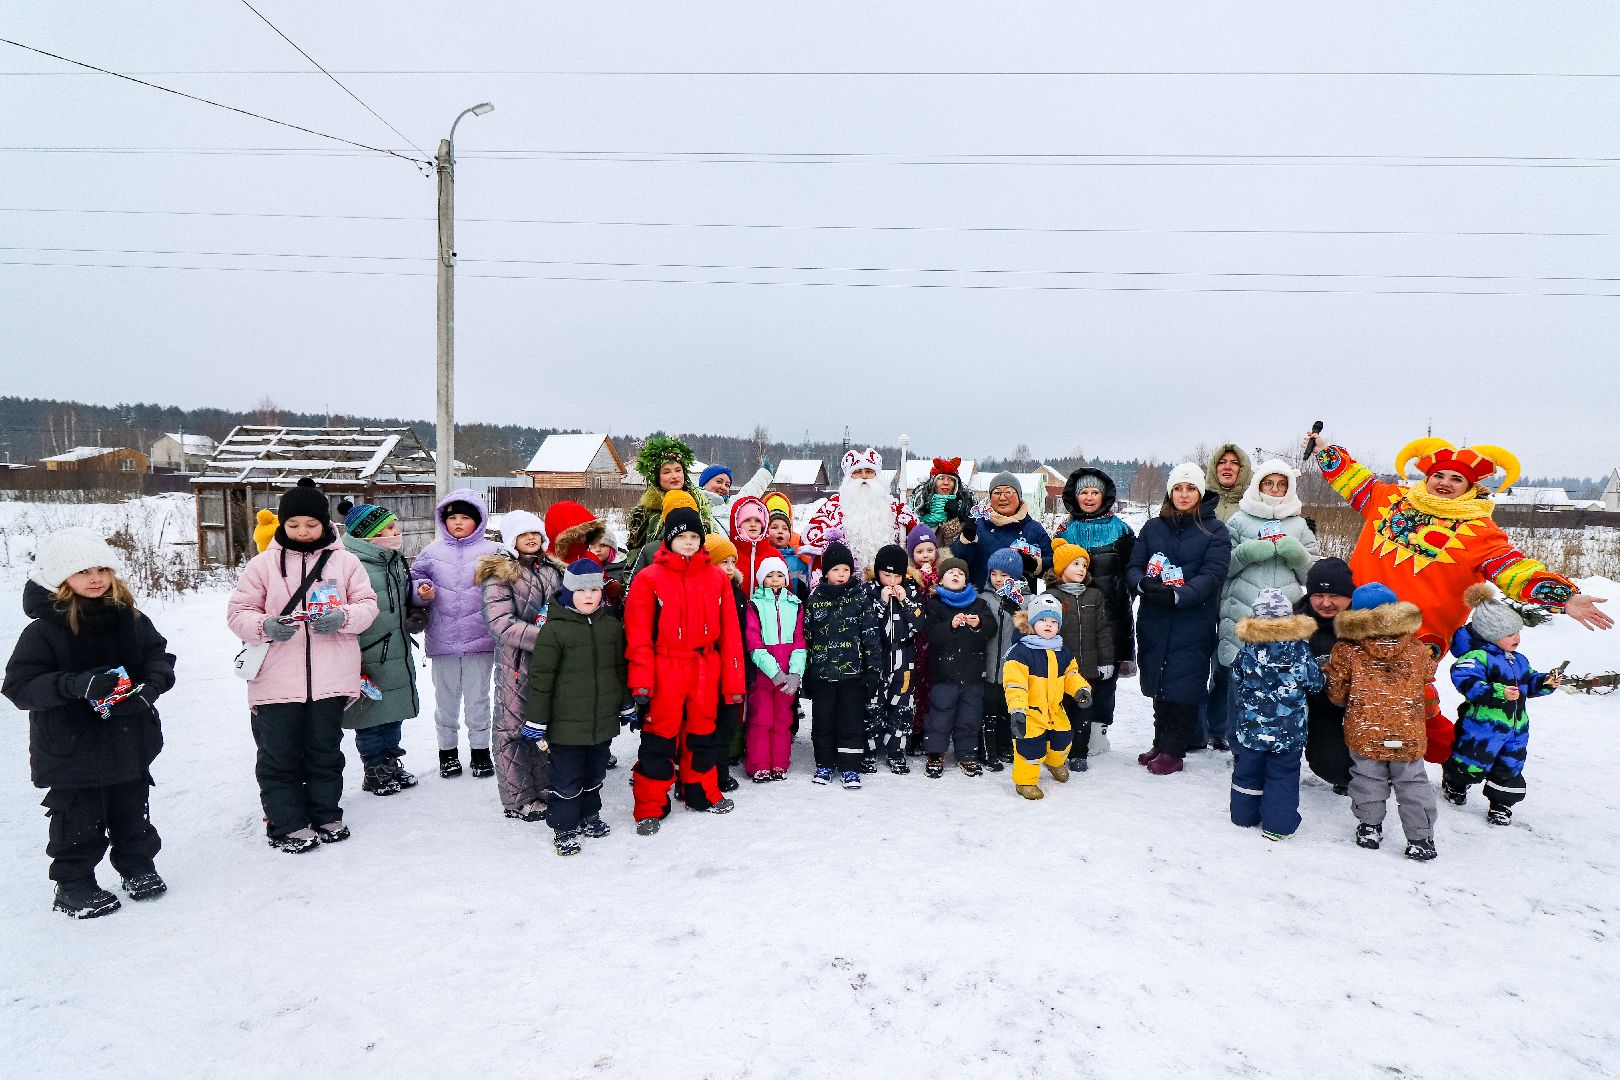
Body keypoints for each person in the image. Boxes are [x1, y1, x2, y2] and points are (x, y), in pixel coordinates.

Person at [1308, 433, 1610, 762]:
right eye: (1439, 475)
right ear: (1427, 476)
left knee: (1410, 700)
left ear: (1470, 487)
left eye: (1456, 479)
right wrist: (1325, 450)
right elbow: (1352, 477)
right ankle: (1342, 754)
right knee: (1342, 685)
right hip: (1355, 621)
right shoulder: (1389, 500)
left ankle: (1457, 760)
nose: (1445, 483)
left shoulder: (1479, 531)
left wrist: (1564, 597)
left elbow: (1514, 569)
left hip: (1418, 634)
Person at [4, 528, 175, 918]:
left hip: (129, 736)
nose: (96, 578)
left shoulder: (130, 619)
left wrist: (150, 687)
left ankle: (137, 867)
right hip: (72, 746)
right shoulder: (43, 631)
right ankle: (74, 884)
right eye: (83, 572)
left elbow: (159, 657)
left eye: (103, 569)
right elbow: (18, 686)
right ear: (61, 580)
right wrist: (75, 685)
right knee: (78, 818)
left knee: (132, 809)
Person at [227, 478, 378, 853]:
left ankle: (326, 812)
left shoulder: (346, 562)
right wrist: (265, 626)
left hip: (330, 678)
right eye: (293, 524)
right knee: (279, 755)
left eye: (311, 524)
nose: (303, 531)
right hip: (276, 681)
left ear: (326, 524)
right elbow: (238, 613)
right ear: (282, 525)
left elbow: (368, 606)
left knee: (324, 751)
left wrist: (342, 617)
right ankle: (286, 822)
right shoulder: (263, 565)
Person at [623, 507, 745, 833]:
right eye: (682, 537)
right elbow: (638, 635)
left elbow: (731, 634)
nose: (689, 543)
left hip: (706, 667)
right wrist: (641, 681)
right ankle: (650, 804)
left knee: (703, 735)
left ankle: (699, 791)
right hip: (666, 667)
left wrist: (733, 682)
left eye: (694, 537)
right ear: (669, 539)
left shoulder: (717, 578)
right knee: (659, 741)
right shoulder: (649, 578)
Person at [1125, 463, 1233, 775]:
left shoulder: (1214, 530)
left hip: (1192, 620)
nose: (1183, 494)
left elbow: (1213, 573)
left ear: (1200, 492)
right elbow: (1134, 566)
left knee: (1183, 685)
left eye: (1190, 489)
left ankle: (1174, 750)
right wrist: (1143, 584)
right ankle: (1160, 741)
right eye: (1178, 489)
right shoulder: (1153, 528)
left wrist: (1178, 595)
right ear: (1170, 492)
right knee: (1158, 681)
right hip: (1154, 618)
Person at [524, 559, 634, 856]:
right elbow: (541, 679)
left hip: (601, 721)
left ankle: (589, 814)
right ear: (568, 591)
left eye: (595, 590)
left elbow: (619, 669)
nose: (589, 596)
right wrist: (536, 721)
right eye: (582, 590)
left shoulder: (610, 626)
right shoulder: (555, 630)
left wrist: (625, 704)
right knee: (567, 778)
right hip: (565, 725)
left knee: (595, 773)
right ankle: (564, 826)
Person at [1324, 582, 1440, 861]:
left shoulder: (1346, 648)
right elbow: (1427, 675)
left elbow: (1338, 693)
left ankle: (1369, 827)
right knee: (1412, 781)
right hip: (1408, 729)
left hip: (1365, 729)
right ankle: (1421, 838)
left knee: (1367, 777)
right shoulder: (1416, 647)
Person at [1211, 459, 1319, 751]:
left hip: (1285, 615)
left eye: (1281, 484)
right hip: (1241, 610)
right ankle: (1236, 742)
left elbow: (1312, 575)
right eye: (1268, 483)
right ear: (1258, 485)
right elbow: (1222, 567)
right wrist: (1247, 553)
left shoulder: (1298, 524)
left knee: (1280, 680)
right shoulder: (1239, 520)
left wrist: (1297, 554)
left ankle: (1281, 739)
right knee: (1239, 678)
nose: (1274, 489)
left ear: (1289, 488)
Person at [1441, 584, 1564, 826]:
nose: (1516, 638)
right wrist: (1498, 692)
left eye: (1517, 632)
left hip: (1516, 728)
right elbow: (1465, 680)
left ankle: (1501, 805)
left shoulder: (1518, 660)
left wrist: (1545, 682)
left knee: (1510, 766)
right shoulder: (1476, 658)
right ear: (1490, 635)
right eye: (1509, 634)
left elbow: (1527, 681)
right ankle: (1455, 783)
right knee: (1470, 762)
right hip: (1482, 728)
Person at [477, 509, 562, 822]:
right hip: (517, 664)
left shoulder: (553, 570)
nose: (531, 538)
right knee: (512, 730)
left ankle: (543, 788)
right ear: (511, 539)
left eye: (535, 533)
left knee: (543, 727)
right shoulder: (500, 574)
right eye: (523, 534)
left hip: (551, 662)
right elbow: (500, 622)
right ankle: (517, 798)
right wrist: (547, 639)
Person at [337, 500, 426, 798]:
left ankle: (390, 760)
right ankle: (373, 768)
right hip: (366, 651)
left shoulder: (393, 560)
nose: (396, 531)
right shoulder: (350, 563)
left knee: (394, 710)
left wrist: (416, 612)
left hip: (397, 648)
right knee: (370, 715)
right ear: (370, 534)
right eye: (389, 527)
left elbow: (404, 599)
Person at [410, 488, 500, 780]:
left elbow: (508, 587)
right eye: (453, 518)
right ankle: (447, 753)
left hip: (481, 639)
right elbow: (413, 583)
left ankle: (480, 752)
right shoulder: (431, 552)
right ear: (443, 521)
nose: (458, 523)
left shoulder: (493, 552)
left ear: (479, 521)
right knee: (445, 702)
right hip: (442, 638)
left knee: (478, 700)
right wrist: (422, 592)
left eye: (465, 517)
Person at [1229, 588, 1323, 840]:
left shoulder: (1247, 651)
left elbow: (1236, 678)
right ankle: (1278, 826)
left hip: (1251, 729)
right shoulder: (1300, 651)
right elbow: (1315, 682)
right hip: (1288, 732)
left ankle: (1243, 816)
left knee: (1247, 771)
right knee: (1282, 776)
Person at [1057, 467, 1137, 752]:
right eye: (1084, 493)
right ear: (1074, 497)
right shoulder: (1065, 530)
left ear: (1104, 496)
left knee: (1106, 669)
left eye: (1094, 493)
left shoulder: (1122, 530)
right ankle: (1070, 726)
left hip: (1112, 614)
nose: (1089, 498)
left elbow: (1134, 570)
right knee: (1073, 669)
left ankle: (1099, 728)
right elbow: (1054, 572)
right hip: (1072, 613)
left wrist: (1126, 593)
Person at [803, 541, 883, 789]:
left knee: (851, 721)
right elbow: (806, 637)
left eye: (846, 570)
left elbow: (871, 637)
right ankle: (825, 763)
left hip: (852, 675)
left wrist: (872, 671)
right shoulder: (815, 600)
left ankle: (850, 767)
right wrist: (806, 672)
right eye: (836, 570)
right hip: (823, 675)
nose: (841, 575)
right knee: (823, 721)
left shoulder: (860, 599)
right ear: (826, 572)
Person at [1002, 593, 1090, 801]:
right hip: (1030, 712)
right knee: (1029, 747)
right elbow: (1015, 684)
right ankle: (1025, 781)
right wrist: (1017, 709)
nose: (1048, 624)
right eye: (1042, 620)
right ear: (1031, 622)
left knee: (1063, 739)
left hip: (1055, 709)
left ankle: (1053, 761)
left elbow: (1071, 675)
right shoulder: (1020, 652)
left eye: (1053, 621)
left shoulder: (1063, 652)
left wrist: (1080, 689)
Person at [922, 557, 996, 778]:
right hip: (943, 674)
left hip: (972, 674)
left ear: (966, 580)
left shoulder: (979, 604)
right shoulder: (935, 604)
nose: (956, 575)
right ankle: (935, 753)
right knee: (940, 716)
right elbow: (931, 633)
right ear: (941, 579)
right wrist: (950, 626)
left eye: (961, 573)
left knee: (969, 716)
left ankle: (967, 754)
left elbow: (991, 628)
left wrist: (978, 624)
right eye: (951, 572)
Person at [1045, 540, 1115, 771]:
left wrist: (1105, 662)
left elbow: (1103, 630)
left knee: (1083, 712)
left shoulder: (1094, 596)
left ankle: (1079, 753)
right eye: (1075, 564)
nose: (1081, 569)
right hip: (1059, 670)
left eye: (1084, 565)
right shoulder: (1051, 596)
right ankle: (1057, 752)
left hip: (1086, 670)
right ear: (1061, 568)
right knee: (1058, 713)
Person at [803, 448, 919, 573]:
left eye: (869, 471)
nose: (864, 476)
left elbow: (918, 538)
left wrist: (910, 523)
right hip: (844, 584)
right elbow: (814, 541)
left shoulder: (893, 507)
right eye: (858, 472)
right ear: (849, 477)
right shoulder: (833, 506)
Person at [1295, 558, 1356, 793]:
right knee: (1328, 764)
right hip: (1316, 708)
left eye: (1335, 596)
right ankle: (1344, 773)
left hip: (1358, 707)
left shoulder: (1366, 624)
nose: (1326, 603)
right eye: (1318, 594)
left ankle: (1373, 773)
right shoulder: (1294, 622)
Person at [744, 556, 806, 781]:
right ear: (761, 580)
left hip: (788, 676)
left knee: (782, 720)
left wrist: (795, 673)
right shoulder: (755, 605)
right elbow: (754, 643)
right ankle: (759, 764)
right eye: (769, 576)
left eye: (779, 575)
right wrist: (773, 672)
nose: (775, 579)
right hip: (764, 675)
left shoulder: (795, 604)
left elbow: (800, 641)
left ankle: (779, 763)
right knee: (761, 719)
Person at [865, 543, 925, 774]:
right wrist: (881, 602)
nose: (891, 580)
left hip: (903, 655)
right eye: (886, 574)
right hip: (877, 655)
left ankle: (896, 751)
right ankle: (869, 751)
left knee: (901, 705)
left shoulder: (911, 591)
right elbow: (867, 626)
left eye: (896, 575)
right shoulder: (868, 592)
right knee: (872, 704)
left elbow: (919, 624)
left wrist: (905, 602)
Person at [951, 471, 1053, 590]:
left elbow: (1052, 563)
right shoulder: (976, 525)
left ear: (1019, 496)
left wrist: (1036, 565)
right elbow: (956, 562)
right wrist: (965, 541)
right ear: (990, 497)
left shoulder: (1034, 529)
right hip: (981, 600)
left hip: (1020, 602)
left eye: (1008, 492)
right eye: (997, 493)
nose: (1002, 498)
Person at [706, 533, 748, 793]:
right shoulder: (705, 593)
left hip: (733, 670)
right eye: (724, 562)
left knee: (727, 723)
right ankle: (705, 773)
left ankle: (721, 771)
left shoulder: (738, 593)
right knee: (705, 725)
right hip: (710, 670)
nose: (730, 568)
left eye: (733, 562)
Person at [979, 546, 1027, 773]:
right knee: (988, 708)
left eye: (1004, 575)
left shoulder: (1025, 601)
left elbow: (1029, 631)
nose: (998, 579)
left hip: (1012, 668)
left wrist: (1016, 610)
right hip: (988, 666)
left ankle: (1006, 745)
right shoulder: (983, 597)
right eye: (994, 573)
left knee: (1007, 708)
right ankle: (987, 749)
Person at [626, 436, 716, 551]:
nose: (674, 476)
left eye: (678, 470)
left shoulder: (700, 502)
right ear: (657, 478)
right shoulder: (647, 508)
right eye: (666, 472)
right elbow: (637, 549)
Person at [627, 489, 701, 581]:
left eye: (689, 511)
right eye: (676, 513)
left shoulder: (702, 549)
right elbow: (634, 587)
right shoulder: (650, 550)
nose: (683, 517)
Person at [910, 456, 975, 549]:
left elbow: (957, 547)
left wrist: (952, 519)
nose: (946, 483)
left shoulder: (964, 508)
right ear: (933, 482)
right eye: (941, 478)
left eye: (951, 479)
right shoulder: (919, 506)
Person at [698, 462, 775, 535]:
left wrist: (764, 474)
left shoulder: (729, 507)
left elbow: (748, 492)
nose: (723, 487)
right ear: (704, 483)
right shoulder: (694, 504)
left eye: (727, 485)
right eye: (719, 482)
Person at [729, 495, 784, 597]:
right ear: (737, 523)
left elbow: (786, 590)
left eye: (758, 521)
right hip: (735, 610)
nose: (753, 524)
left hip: (765, 611)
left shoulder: (774, 555)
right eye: (747, 520)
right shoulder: (729, 552)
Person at [1205, 443, 1253, 524]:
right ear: (1213, 468)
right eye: (1222, 462)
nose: (1227, 467)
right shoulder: (1198, 504)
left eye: (1234, 463)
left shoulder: (1254, 506)